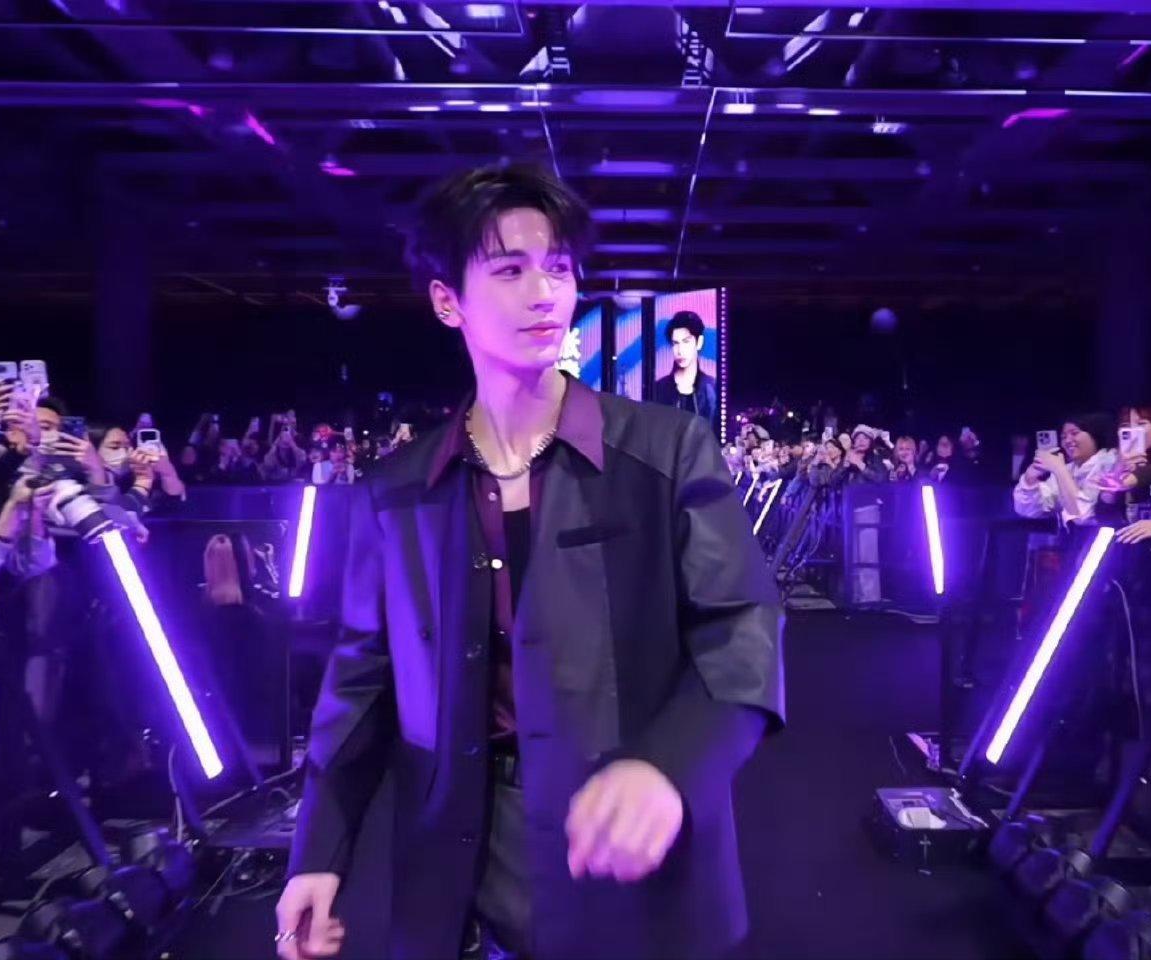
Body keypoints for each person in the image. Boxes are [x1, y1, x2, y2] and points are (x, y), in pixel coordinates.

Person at [277, 163, 784, 960]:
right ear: (447, 300)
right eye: (510, 270)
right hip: (457, 861)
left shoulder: (665, 450)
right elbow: (362, 681)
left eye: (558, 268)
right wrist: (317, 853)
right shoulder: (395, 491)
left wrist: (669, 768)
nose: (544, 293)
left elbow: (742, 632)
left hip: (624, 851)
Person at [1013, 414, 1117, 524]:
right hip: (1071, 535)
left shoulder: (1110, 463)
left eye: (1074, 433)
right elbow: (1029, 510)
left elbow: (1082, 517)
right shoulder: (1068, 468)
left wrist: (1060, 470)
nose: (1067, 441)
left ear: (1094, 435)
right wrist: (1030, 479)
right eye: (1063, 437)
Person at [653, 311, 718, 426]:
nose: (680, 350)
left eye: (686, 342)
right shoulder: (659, 389)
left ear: (699, 342)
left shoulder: (712, 388)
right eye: (675, 343)